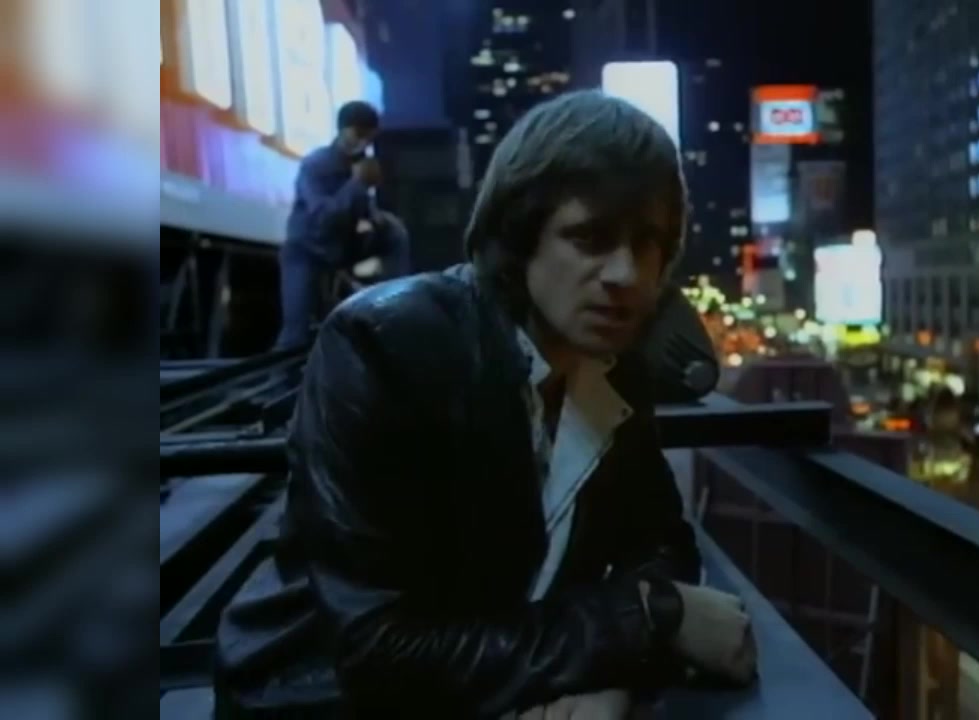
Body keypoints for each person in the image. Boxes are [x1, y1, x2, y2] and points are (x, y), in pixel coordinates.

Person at [217, 91, 758, 718]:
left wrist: (609, 674)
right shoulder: (384, 345)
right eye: (590, 238)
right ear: (520, 235)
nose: (627, 275)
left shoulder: (613, 361)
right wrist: (645, 620)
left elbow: (660, 543)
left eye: (649, 243)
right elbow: (379, 651)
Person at [275, 100, 412, 349]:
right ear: (342, 129)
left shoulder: (362, 163)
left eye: (369, 138)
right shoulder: (315, 164)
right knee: (295, 335)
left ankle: (396, 306)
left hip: (340, 247)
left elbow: (363, 211)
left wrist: (379, 218)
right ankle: (284, 370)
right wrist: (357, 184)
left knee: (395, 233)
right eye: (358, 135)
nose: (363, 143)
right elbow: (323, 217)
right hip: (307, 250)